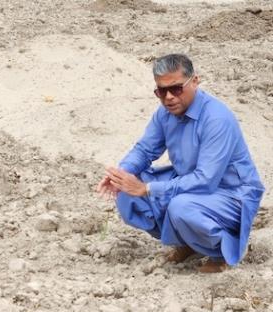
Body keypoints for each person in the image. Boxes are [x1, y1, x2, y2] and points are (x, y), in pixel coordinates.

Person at [96, 54, 264, 273]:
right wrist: (121, 175)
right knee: (127, 194)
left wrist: (147, 188)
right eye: (161, 91)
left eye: (176, 89)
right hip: (189, 184)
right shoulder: (165, 114)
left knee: (180, 207)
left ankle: (220, 251)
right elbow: (145, 149)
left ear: (194, 81)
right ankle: (189, 243)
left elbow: (206, 180)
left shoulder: (217, 118)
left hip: (231, 193)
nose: (168, 98)